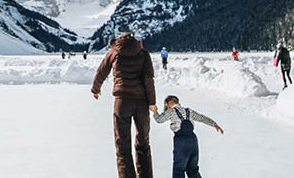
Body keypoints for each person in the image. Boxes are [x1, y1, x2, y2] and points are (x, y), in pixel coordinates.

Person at [92, 32, 157, 178]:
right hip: (141, 103)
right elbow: (148, 79)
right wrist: (152, 102)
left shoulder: (113, 52)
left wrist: (95, 89)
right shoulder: (143, 54)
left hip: (122, 103)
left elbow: (101, 71)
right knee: (143, 142)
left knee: (122, 145)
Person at [151, 95, 224, 178]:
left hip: (181, 141)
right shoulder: (189, 111)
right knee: (193, 169)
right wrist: (214, 124)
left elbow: (159, 120)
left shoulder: (171, 111)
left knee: (178, 170)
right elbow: (202, 118)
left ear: (168, 104)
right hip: (193, 141)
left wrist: (155, 111)